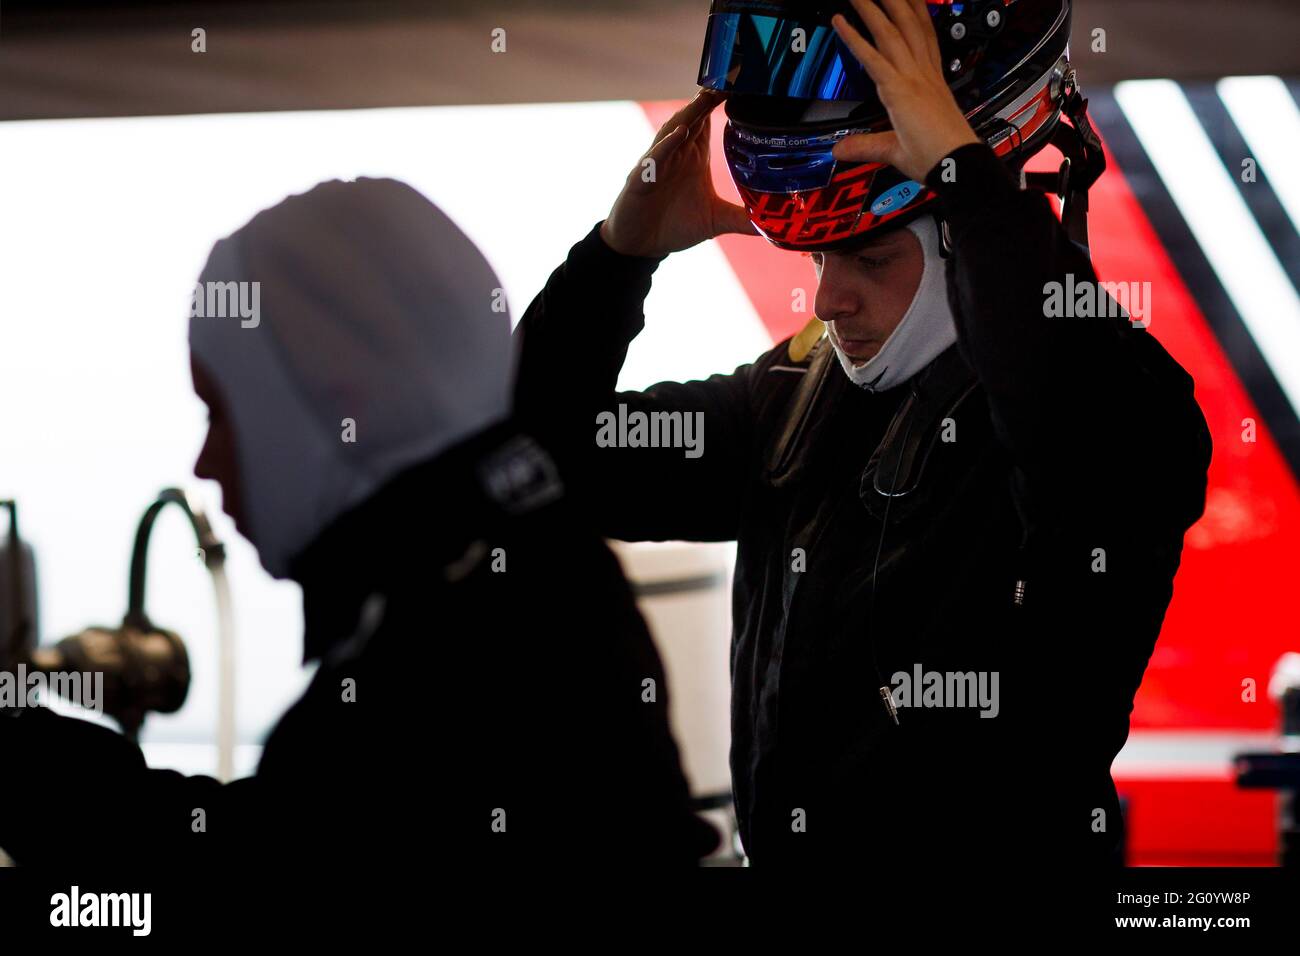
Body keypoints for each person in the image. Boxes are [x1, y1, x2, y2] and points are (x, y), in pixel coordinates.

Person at [514, 0, 1212, 866]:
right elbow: (538, 462)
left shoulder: (1122, 408)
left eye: (871, 258)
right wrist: (618, 258)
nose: (829, 300)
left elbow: (1059, 401)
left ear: (966, 231)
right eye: (818, 259)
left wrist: (964, 175)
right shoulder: (794, 396)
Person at [0, 178, 715, 868]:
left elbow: (250, 858)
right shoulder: (520, 559)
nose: (205, 463)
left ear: (333, 399)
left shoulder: (438, 654)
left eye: (223, 412)